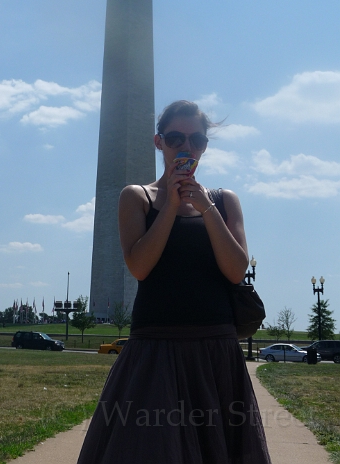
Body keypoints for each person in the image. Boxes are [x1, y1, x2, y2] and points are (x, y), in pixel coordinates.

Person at [77, 101, 271, 464]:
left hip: (216, 351)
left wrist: (205, 209)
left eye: (196, 139)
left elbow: (236, 270)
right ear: (158, 142)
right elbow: (139, 266)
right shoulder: (137, 197)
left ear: (205, 146)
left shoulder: (224, 201)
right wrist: (170, 204)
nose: (186, 147)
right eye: (175, 138)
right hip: (156, 350)